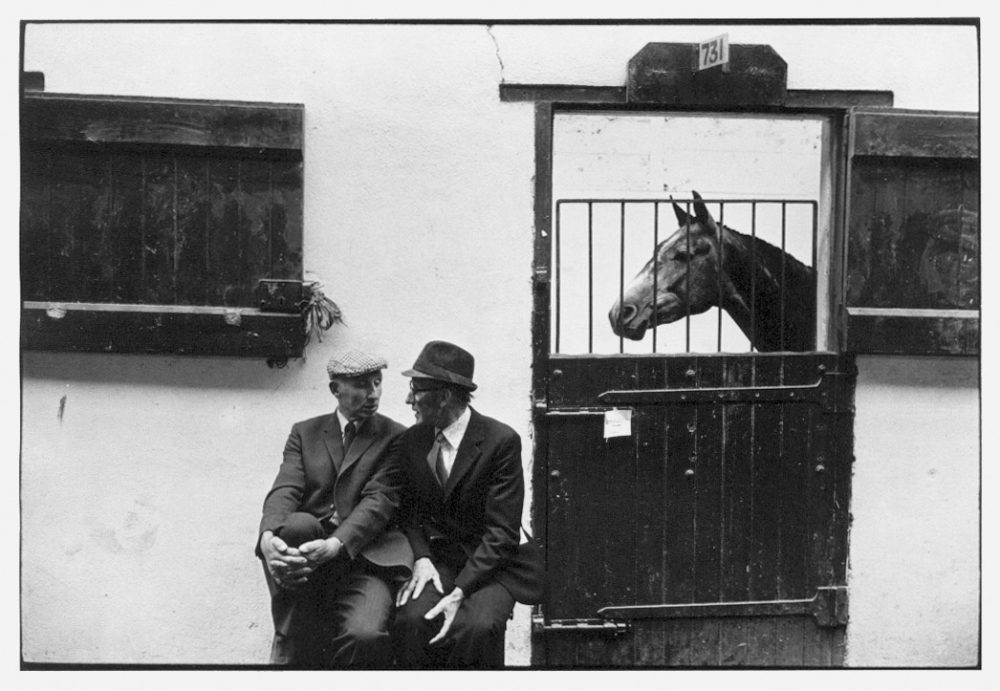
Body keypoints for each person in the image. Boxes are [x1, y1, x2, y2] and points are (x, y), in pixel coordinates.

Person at [390, 340, 543, 669]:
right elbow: (409, 513)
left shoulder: (500, 442)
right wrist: (421, 558)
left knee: (477, 628)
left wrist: (458, 592)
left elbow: (502, 534)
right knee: (411, 619)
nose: (408, 399)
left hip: (491, 566)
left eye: (416, 389)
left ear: (444, 396)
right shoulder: (412, 441)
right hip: (439, 562)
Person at [256, 348, 412, 668]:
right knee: (294, 526)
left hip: (366, 559)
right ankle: (289, 639)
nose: (373, 393)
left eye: (377, 382)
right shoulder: (305, 432)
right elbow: (286, 487)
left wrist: (336, 544)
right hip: (310, 553)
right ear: (335, 390)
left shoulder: (396, 436)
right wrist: (267, 537)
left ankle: (296, 644)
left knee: (365, 635)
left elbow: (378, 501)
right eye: (360, 385)